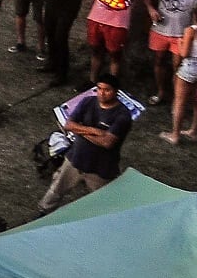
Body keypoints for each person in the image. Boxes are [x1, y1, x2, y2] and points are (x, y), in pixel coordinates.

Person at [41, 75, 136, 209]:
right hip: (75, 158)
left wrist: (79, 130)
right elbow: (69, 124)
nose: (101, 93)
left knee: (103, 203)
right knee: (56, 190)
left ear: (116, 92)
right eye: (99, 88)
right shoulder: (88, 101)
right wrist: (94, 130)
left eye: (107, 90)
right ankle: (43, 212)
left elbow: (107, 143)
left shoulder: (122, 116)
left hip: (100, 167)